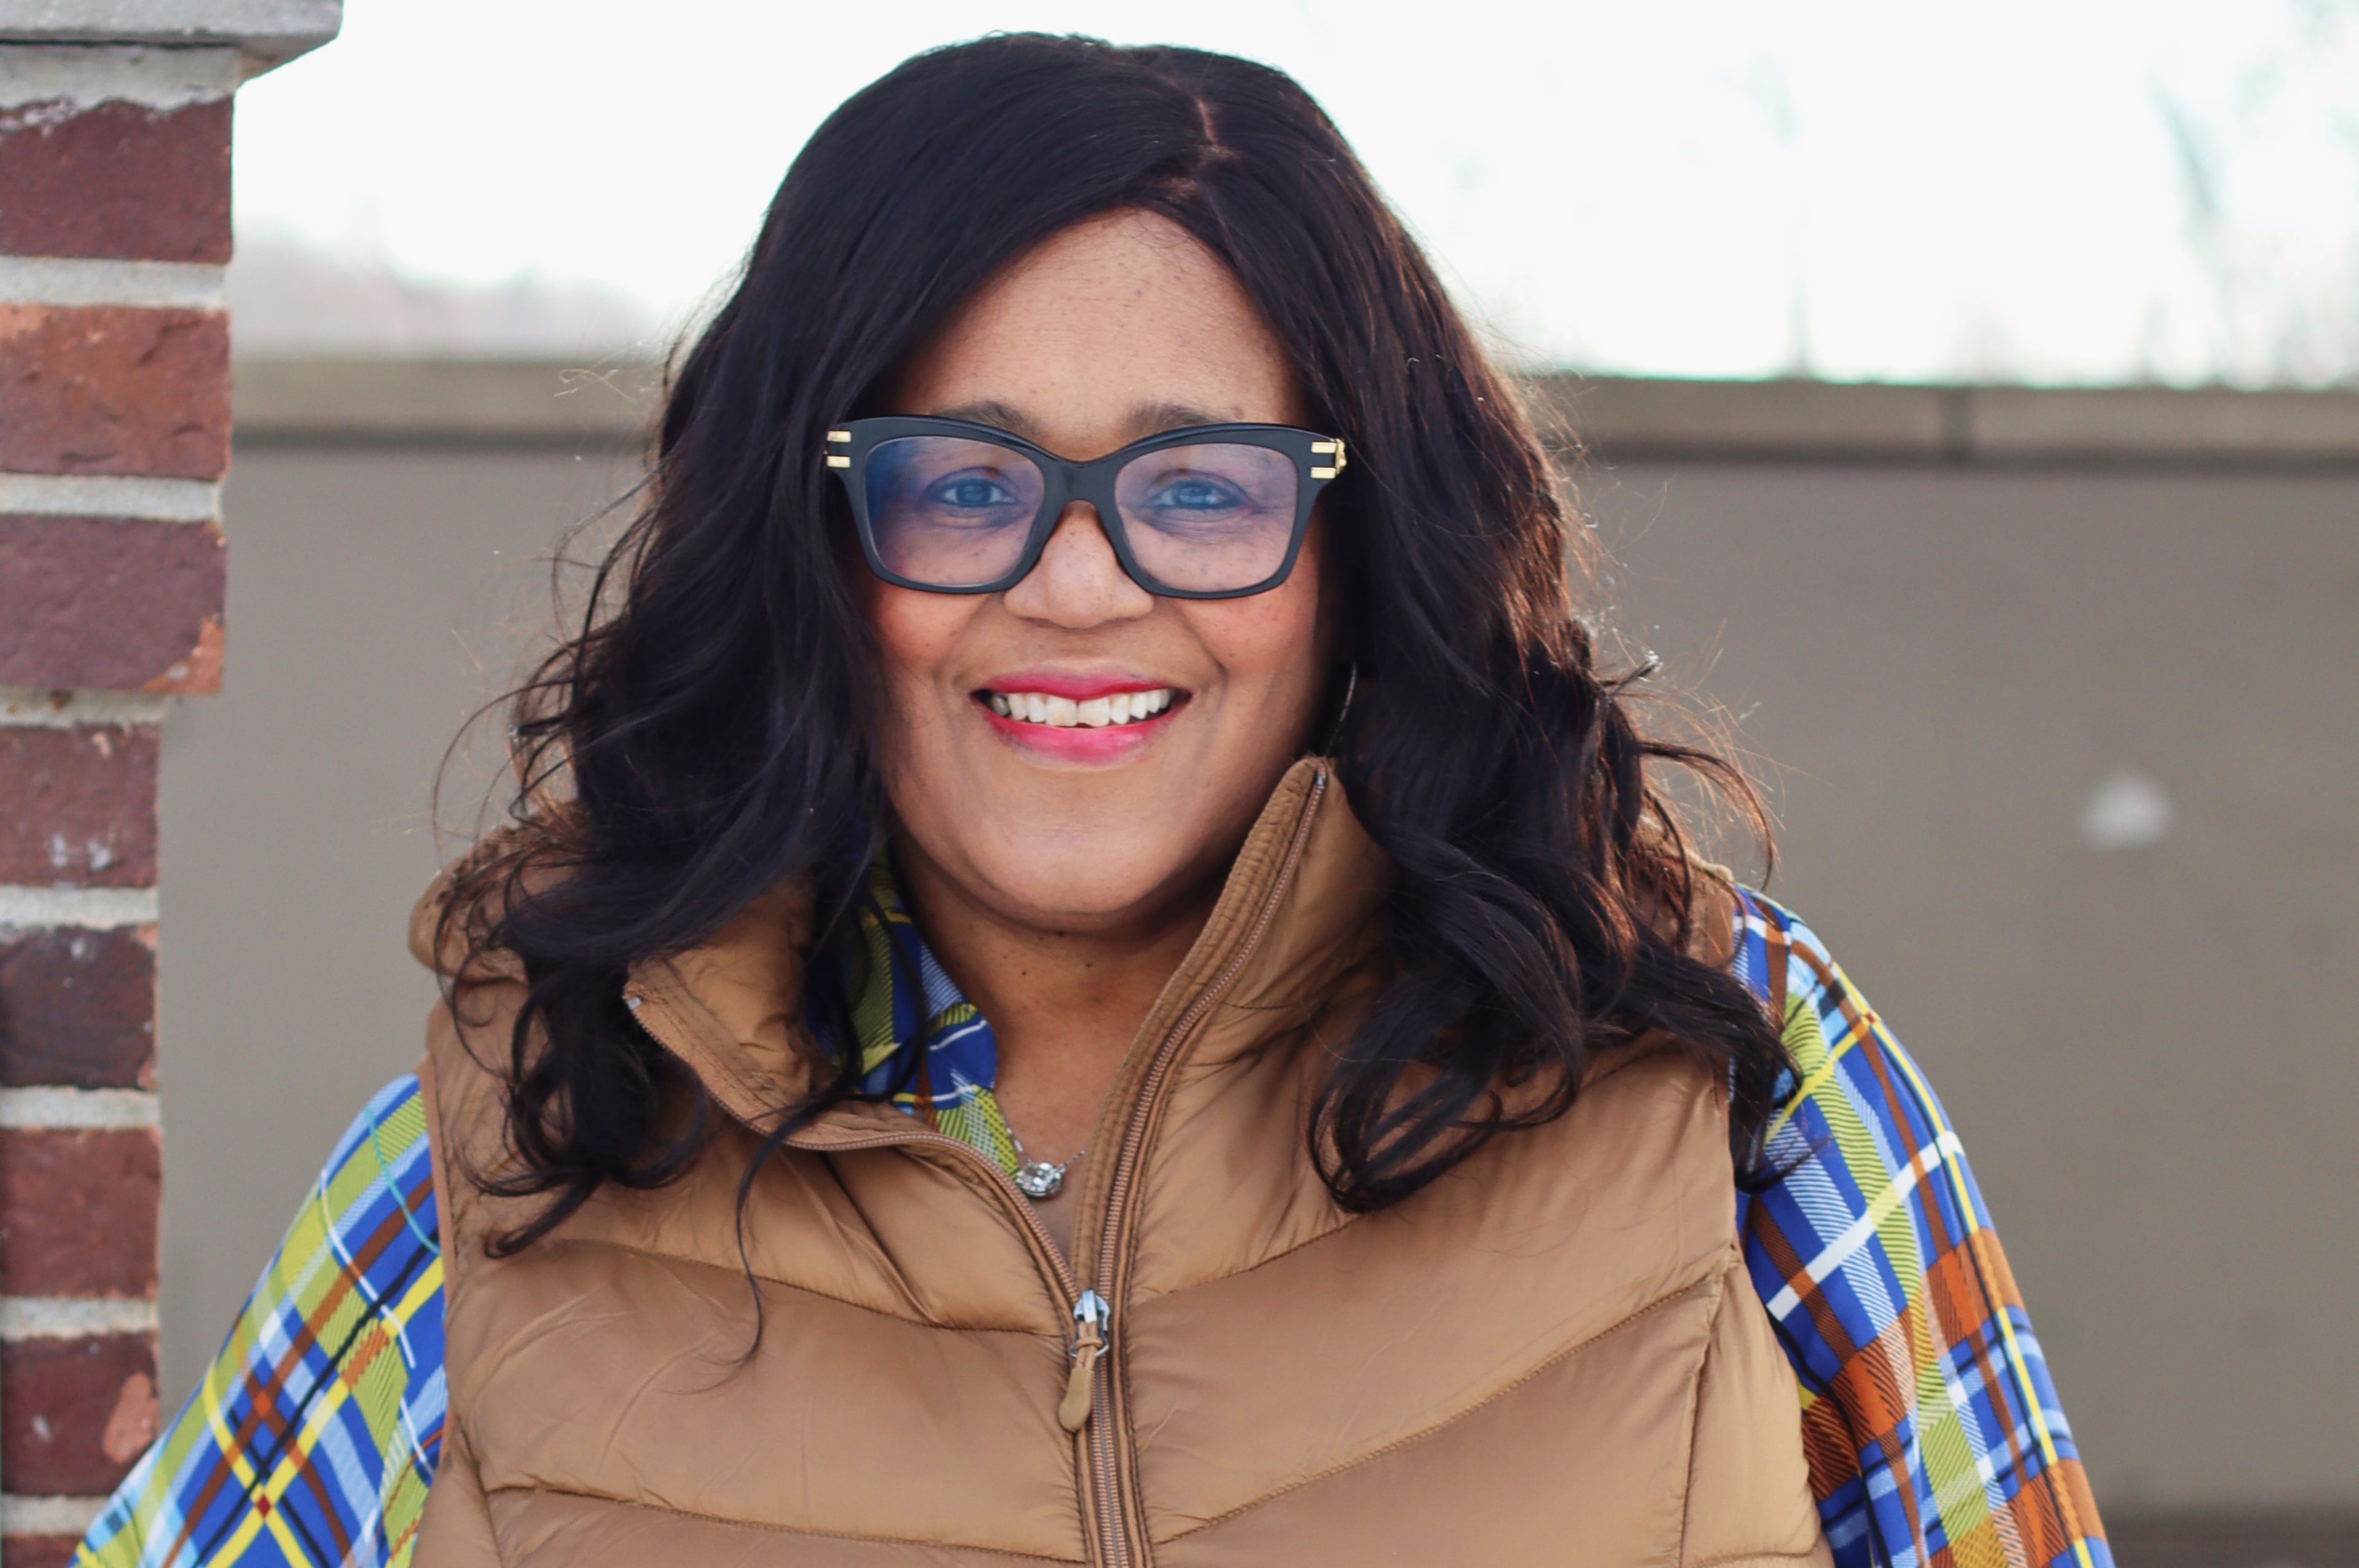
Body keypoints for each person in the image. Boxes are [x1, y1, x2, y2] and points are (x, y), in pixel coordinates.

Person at [77, 34, 2108, 1568]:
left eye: (1199, 486)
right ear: (814, 541)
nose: (1075, 583)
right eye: (963, 482)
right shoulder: (522, 1137)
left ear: (1355, 544)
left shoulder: (1724, 1070)